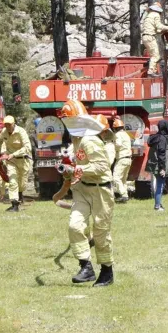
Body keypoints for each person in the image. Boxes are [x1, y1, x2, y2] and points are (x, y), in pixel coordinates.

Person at [58, 99, 115, 287]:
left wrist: (75, 171)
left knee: (100, 232)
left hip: (100, 190)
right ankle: (86, 267)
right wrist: (70, 170)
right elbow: (81, 165)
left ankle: (107, 272)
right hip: (82, 188)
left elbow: (101, 167)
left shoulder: (89, 140)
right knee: (75, 226)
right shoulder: (76, 138)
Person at [0, 115, 33, 212]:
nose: (7, 126)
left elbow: (28, 147)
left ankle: (20, 197)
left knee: (22, 183)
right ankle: (14, 204)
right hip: (11, 161)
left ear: (13, 124)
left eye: (9, 124)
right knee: (12, 181)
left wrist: (14, 154)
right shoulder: (4, 132)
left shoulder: (21, 132)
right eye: (6, 124)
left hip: (23, 159)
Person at [141, 2, 168, 76]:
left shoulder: (148, 16)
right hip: (150, 37)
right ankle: (151, 71)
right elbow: (159, 25)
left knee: (152, 55)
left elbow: (155, 29)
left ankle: (153, 70)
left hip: (145, 37)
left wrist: (164, 31)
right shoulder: (156, 14)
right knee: (156, 56)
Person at [147, 120, 168, 211]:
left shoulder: (155, 137)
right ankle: (157, 206)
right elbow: (161, 154)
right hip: (159, 166)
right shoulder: (162, 138)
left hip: (154, 165)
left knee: (159, 184)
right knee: (160, 185)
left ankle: (158, 204)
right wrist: (162, 168)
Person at [111, 117, 133, 204]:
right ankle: (126, 196)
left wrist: (112, 146)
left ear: (115, 127)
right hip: (128, 159)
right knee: (123, 179)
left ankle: (123, 195)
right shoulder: (126, 134)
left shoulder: (118, 135)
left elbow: (118, 144)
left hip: (121, 158)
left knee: (116, 177)